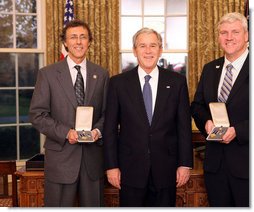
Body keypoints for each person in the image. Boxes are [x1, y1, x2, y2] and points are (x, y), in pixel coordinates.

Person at [103, 27, 193, 207]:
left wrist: (185, 164)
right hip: (130, 170)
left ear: (160, 50)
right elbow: (110, 128)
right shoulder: (118, 83)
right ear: (135, 51)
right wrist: (111, 166)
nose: (148, 51)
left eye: (153, 45)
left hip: (166, 170)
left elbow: (183, 126)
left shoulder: (177, 82)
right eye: (142, 46)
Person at [29, 19, 109, 207]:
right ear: (65, 42)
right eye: (73, 37)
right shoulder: (47, 74)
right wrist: (66, 132)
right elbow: (37, 114)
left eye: (83, 37)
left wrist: (97, 131)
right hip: (61, 159)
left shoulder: (102, 74)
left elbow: (108, 113)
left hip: (92, 160)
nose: (78, 42)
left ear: (89, 41)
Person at [191, 12, 249, 207]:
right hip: (215, 166)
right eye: (224, 32)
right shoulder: (210, 69)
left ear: (247, 35)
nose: (229, 37)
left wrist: (238, 131)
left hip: (247, 165)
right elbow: (197, 106)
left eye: (235, 32)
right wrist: (206, 122)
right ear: (218, 37)